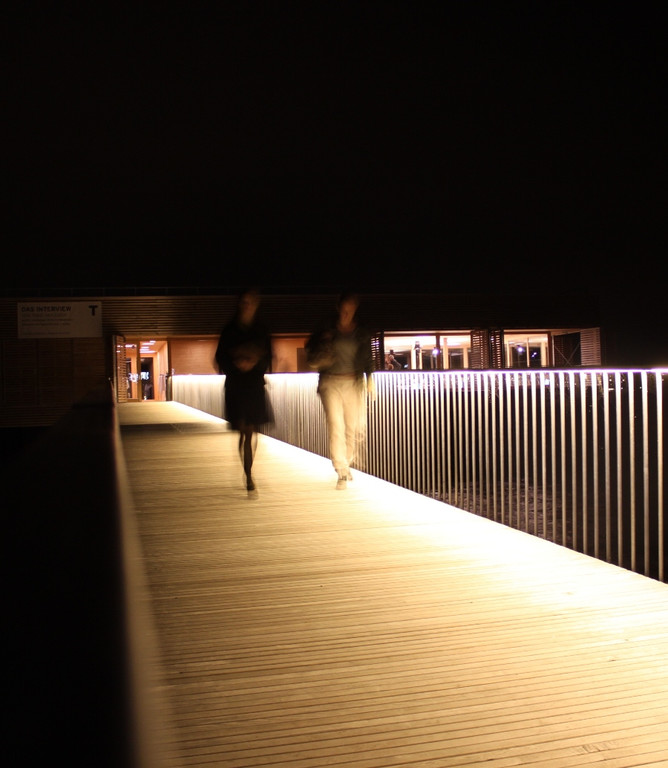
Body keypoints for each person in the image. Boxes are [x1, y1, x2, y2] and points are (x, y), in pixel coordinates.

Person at [306, 291, 376, 490]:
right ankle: (341, 469)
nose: (346, 313)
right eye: (344, 309)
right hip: (330, 382)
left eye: (350, 310)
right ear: (338, 308)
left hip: (353, 383)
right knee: (336, 425)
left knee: (351, 428)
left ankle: (346, 462)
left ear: (355, 310)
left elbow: (368, 357)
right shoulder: (326, 326)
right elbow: (310, 346)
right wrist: (324, 340)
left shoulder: (361, 331)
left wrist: (370, 379)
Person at [214, 288, 272, 493]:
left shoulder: (261, 330)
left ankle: (248, 474)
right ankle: (247, 472)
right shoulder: (229, 330)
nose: (247, 306)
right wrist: (237, 364)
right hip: (236, 385)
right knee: (243, 430)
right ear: (240, 305)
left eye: (251, 303)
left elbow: (268, 357)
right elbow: (220, 357)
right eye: (245, 302)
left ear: (256, 305)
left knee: (251, 431)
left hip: (254, 385)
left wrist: (254, 363)